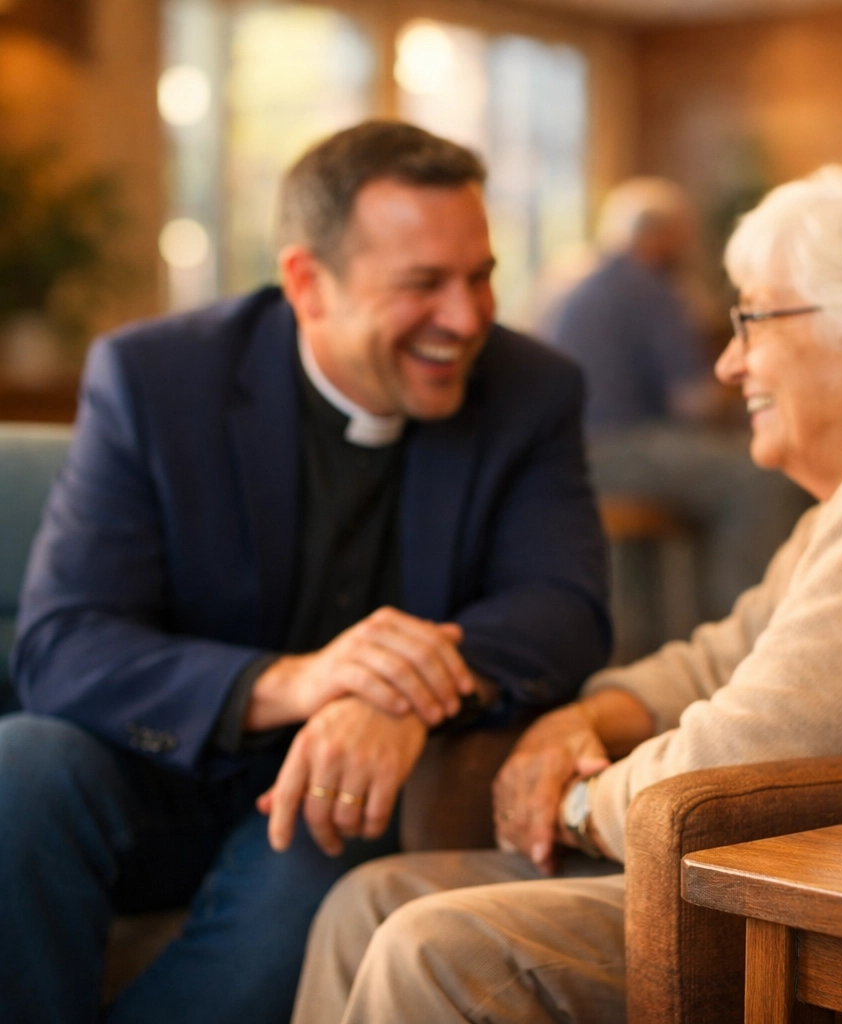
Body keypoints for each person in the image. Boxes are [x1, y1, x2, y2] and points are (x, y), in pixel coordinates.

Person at [292, 160, 842, 1024]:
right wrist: (590, 718)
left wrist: (566, 801)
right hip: (804, 868)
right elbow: (725, 652)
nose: (729, 361)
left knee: (428, 946)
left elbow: (737, 755)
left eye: (753, 319)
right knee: (366, 903)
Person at [0, 121, 610, 1024]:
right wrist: (299, 681)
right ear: (306, 284)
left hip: (345, 790)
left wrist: (395, 692)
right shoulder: (156, 378)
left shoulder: (531, 389)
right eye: (423, 284)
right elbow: (61, 645)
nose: (469, 316)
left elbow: (564, 607)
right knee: (20, 763)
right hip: (154, 773)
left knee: (335, 825)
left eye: (479, 275)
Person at [543, 177, 811, 623]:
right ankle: (750, 625)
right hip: (615, 449)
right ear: (661, 234)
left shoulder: (584, 283)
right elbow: (694, 403)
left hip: (568, 454)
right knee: (759, 473)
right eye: (682, 234)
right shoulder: (649, 286)